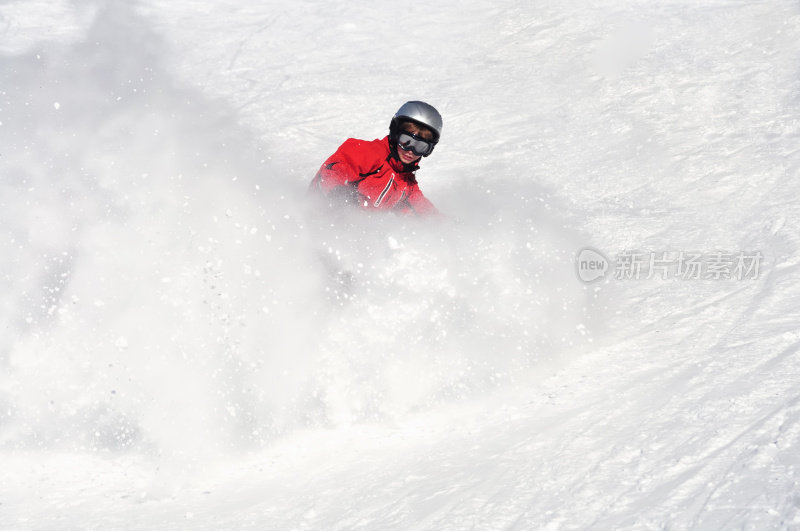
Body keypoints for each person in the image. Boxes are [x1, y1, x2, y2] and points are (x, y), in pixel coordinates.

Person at [309, 101, 442, 216]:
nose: (411, 151)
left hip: (353, 234)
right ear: (395, 135)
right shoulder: (369, 152)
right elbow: (332, 170)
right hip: (319, 216)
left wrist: (449, 226)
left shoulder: (407, 185)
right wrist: (338, 194)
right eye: (406, 141)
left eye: (421, 146)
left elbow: (424, 212)